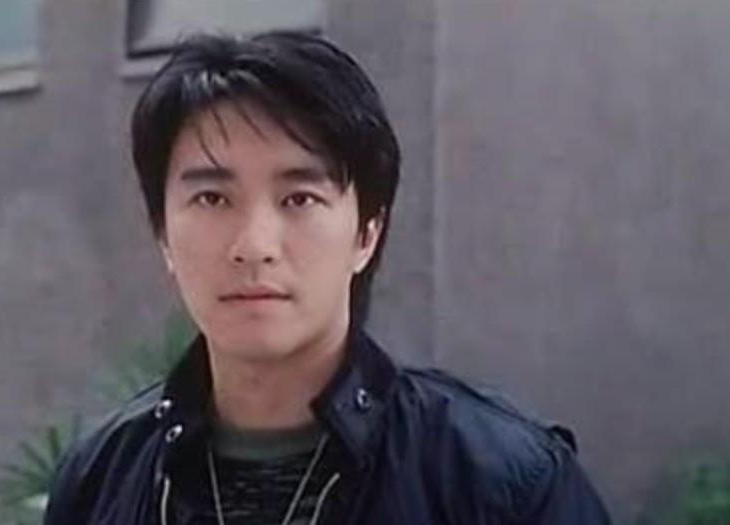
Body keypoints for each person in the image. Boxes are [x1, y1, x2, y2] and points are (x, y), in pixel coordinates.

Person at [44, 31, 612, 525]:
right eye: (212, 198)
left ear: (366, 233)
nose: (254, 246)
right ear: (164, 235)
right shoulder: (99, 481)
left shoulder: (503, 481)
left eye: (300, 198)